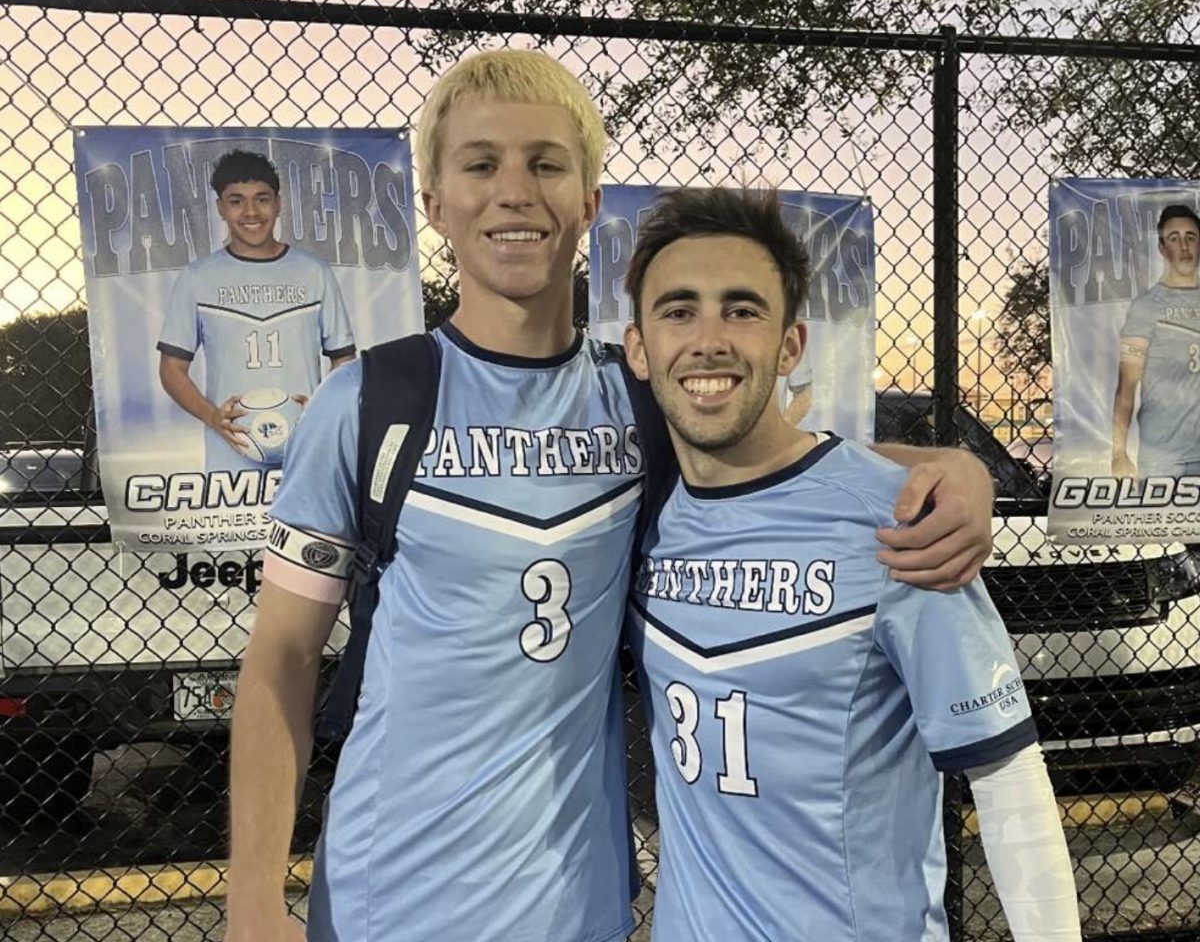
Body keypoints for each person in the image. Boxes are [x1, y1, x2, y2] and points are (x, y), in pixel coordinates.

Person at [225, 50, 996, 942]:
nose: (515, 191)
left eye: (547, 164)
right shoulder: (369, 405)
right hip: (386, 900)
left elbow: (783, 453)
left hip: (579, 905)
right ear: (434, 204)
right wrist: (251, 897)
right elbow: (280, 657)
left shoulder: (635, 401)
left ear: (590, 202)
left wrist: (947, 466)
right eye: (481, 165)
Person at [622, 186, 1080, 942]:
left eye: (742, 309)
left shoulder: (899, 521)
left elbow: (1007, 781)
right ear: (638, 348)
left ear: (791, 345)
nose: (708, 339)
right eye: (678, 310)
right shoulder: (641, 513)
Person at [157, 150, 356, 472]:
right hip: (232, 456)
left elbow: (344, 359)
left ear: (278, 203)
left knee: (309, 524)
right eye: (236, 201)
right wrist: (212, 416)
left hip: (307, 448)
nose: (251, 211)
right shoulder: (198, 278)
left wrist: (322, 409)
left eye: (261, 199)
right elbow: (171, 368)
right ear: (221, 207)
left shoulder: (313, 271)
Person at [1112, 203, 1200, 479]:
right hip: (1164, 458)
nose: (1184, 246)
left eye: (1191, 237)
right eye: (1174, 238)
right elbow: (1127, 386)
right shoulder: (1147, 307)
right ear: (1162, 249)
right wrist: (1118, 453)